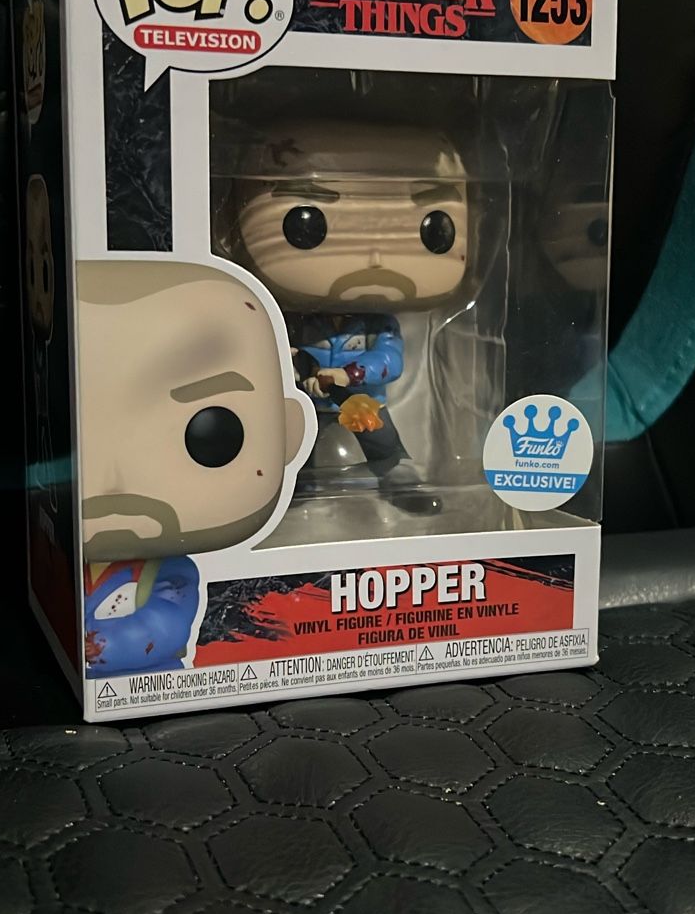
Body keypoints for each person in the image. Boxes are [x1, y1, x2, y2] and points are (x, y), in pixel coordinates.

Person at [76, 259, 312, 674]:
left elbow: (165, 627)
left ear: (288, 430)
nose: (115, 480)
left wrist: (102, 643)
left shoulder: (171, 573)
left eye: (212, 433)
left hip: (150, 684)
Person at [236, 120, 468, 515]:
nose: (375, 259)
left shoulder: (378, 322)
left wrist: (352, 373)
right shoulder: (294, 318)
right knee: (297, 447)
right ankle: (294, 488)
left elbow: (391, 359)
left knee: (384, 444)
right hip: (309, 402)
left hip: (362, 399)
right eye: (307, 224)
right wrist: (291, 365)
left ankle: (397, 478)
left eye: (434, 229)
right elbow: (271, 349)